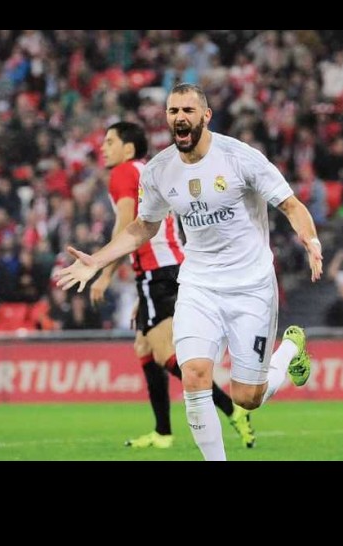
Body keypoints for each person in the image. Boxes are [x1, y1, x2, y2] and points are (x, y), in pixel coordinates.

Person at [57, 83, 323, 461]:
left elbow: (291, 205)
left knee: (248, 397)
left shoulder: (239, 157)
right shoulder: (158, 170)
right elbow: (143, 227)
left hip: (250, 286)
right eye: (173, 111)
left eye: (187, 110)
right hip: (198, 285)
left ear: (205, 116)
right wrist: (97, 261)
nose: (179, 118)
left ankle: (292, 348)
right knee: (195, 375)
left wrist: (311, 241)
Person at [89, 120, 255, 449]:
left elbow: (126, 225)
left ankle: (229, 407)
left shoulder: (123, 172)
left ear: (128, 148)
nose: (103, 148)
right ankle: (163, 432)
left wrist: (104, 274)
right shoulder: (151, 171)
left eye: (109, 142)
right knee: (144, 347)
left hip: (156, 272)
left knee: (165, 352)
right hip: (171, 267)